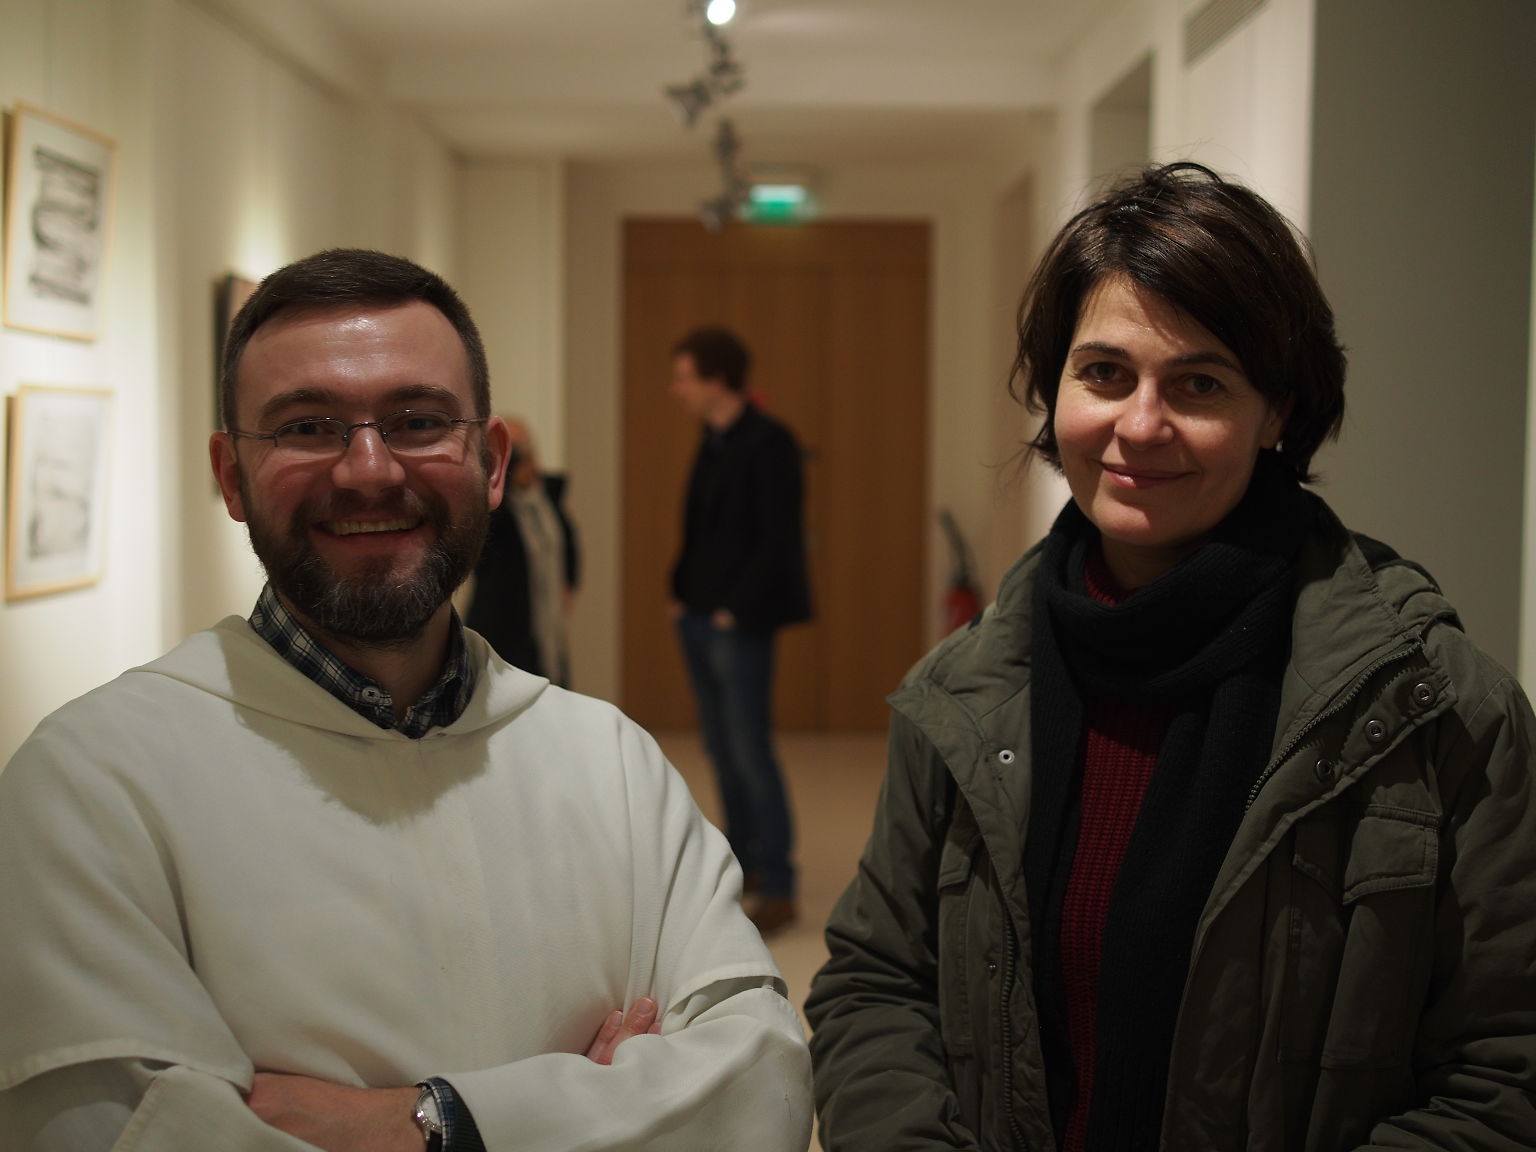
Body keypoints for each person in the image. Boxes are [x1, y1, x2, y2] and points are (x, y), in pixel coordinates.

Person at [0, 249, 813, 1152]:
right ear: (231, 476)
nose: (369, 470)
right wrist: (601, 1111)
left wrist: (429, 1124)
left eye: (418, 421)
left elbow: (765, 1088)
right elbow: (107, 1130)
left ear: (492, 462)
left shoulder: (611, 764)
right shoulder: (91, 785)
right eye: (307, 427)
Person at [805, 163, 1536, 1149]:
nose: (1140, 425)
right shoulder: (965, 692)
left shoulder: (1434, 708)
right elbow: (876, 984)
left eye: (1199, 383)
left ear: (1279, 412)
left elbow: (1506, 1069)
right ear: (1054, 389)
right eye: (1104, 373)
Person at [669, 326, 811, 936]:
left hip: (738, 621)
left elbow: (778, 538)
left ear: (717, 379)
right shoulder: (713, 440)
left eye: (684, 377)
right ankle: (745, 864)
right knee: (722, 748)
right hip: (698, 615)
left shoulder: (770, 442)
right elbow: (701, 529)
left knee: (750, 748)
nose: (676, 389)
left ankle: (779, 885)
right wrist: (681, 594)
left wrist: (735, 608)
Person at [464, 416, 579, 686]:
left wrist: (570, 580)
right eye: (510, 452)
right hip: (501, 627)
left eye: (523, 449)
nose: (519, 459)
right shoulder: (491, 507)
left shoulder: (548, 498)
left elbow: (566, 540)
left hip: (546, 625)